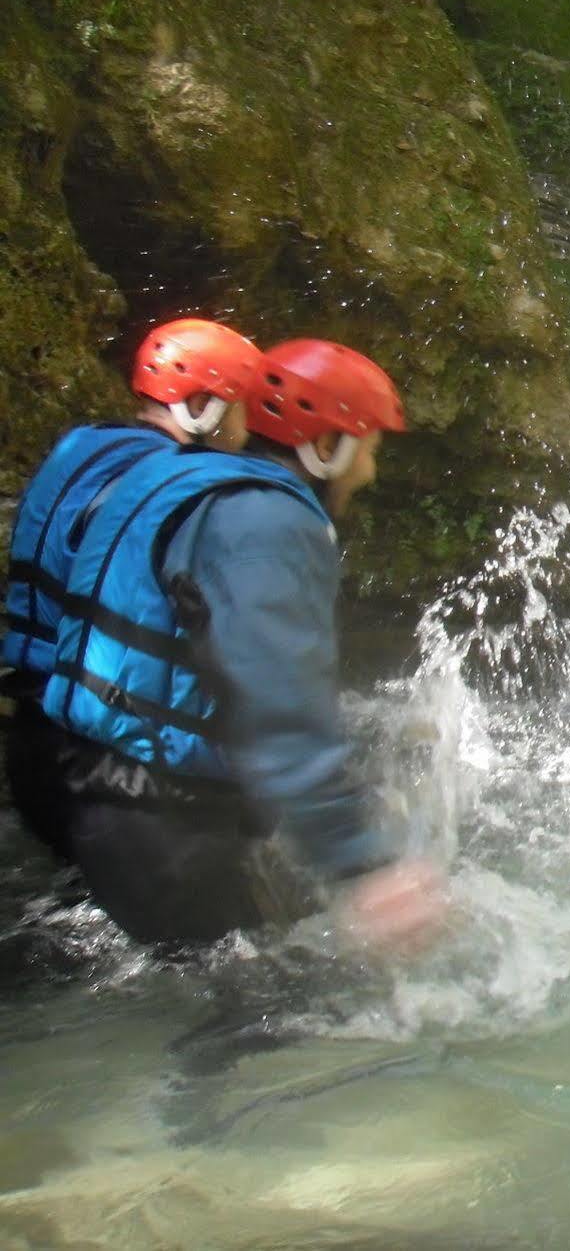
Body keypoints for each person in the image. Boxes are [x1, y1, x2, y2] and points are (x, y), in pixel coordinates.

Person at [39, 338, 447, 955]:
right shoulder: (267, 525)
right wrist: (365, 866)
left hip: (93, 790)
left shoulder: (175, 476)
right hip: (162, 824)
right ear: (327, 446)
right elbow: (279, 702)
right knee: (282, 1021)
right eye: (370, 448)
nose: (371, 471)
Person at [3, 317, 263, 859]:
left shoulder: (80, 450)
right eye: (241, 409)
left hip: (31, 737)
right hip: (112, 773)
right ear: (204, 408)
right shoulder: (177, 495)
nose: (247, 429)